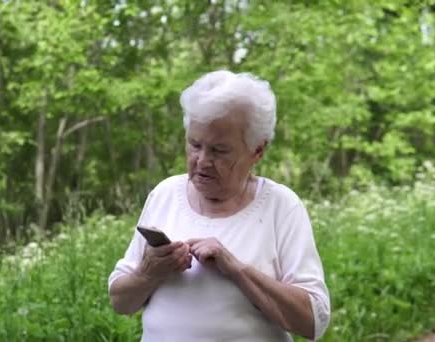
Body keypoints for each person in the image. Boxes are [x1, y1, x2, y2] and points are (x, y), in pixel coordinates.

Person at [108, 70, 330, 341]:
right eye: (194, 144)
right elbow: (121, 302)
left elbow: (313, 322)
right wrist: (148, 273)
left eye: (219, 150)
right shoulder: (165, 194)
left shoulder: (281, 206)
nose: (201, 160)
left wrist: (236, 269)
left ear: (257, 150)